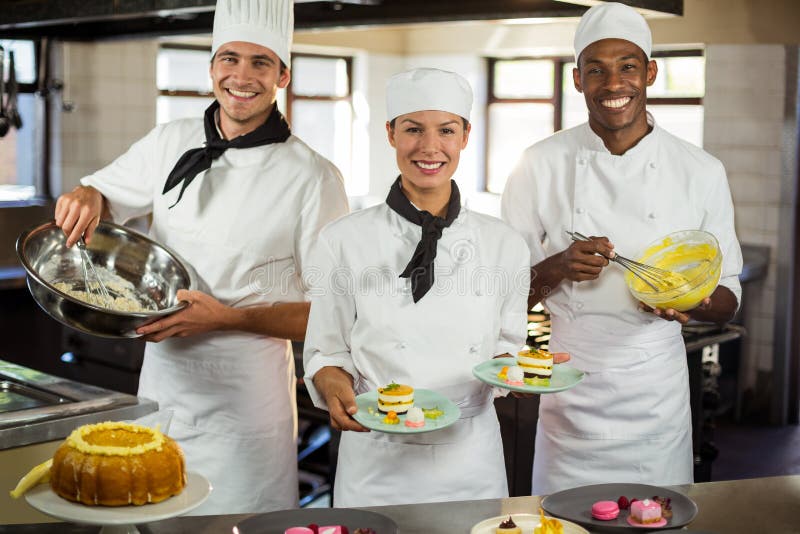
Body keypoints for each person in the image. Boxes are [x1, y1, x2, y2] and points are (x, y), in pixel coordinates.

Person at [53, 0, 349, 514]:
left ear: (282, 75)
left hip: (247, 410)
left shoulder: (313, 176)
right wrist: (87, 194)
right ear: (212, 67)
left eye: (260, 63)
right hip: (163, 390)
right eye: (229, 59)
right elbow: (104, 196)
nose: (241, 76)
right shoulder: (170, 140)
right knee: (154, 517)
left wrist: (227, 318)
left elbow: (333, 314)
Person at [501, 2, 743, 495]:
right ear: (577, 80)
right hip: (569, 387)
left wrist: (687, 300)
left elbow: (728, 300)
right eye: (597, 70)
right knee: (562, 521)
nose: (613, 85)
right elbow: (501, 295)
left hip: (655, 395)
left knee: (655, 516)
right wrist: (556, 268)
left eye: (628, 67)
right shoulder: (538, 164)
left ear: (650, 72)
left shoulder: (700, 170)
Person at [303, 68, 541, 506]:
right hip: (377, 457)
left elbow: (508, 348)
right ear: (391, 133)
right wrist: (335, 388)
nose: (430, 147)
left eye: (446, 131)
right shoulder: (343, 239)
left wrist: (527, 371)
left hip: (470, 458)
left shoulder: (504, 244)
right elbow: (326, 350)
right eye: (413, 129)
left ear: (465, 136)